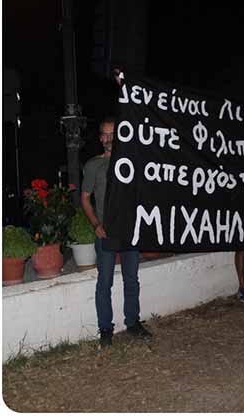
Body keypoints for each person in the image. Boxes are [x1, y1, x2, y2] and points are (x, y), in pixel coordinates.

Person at [81, 116, 151, 347]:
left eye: (113, 134)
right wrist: (96, 225)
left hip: (129, 231)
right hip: (106, 233)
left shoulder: (132, 162)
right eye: (105, 134)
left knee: (132, 279)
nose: (109, 138)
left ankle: (133, 323)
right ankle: (105, 329)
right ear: (100, 137)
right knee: (105, 282)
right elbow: (85, 198)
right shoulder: (93, 165)